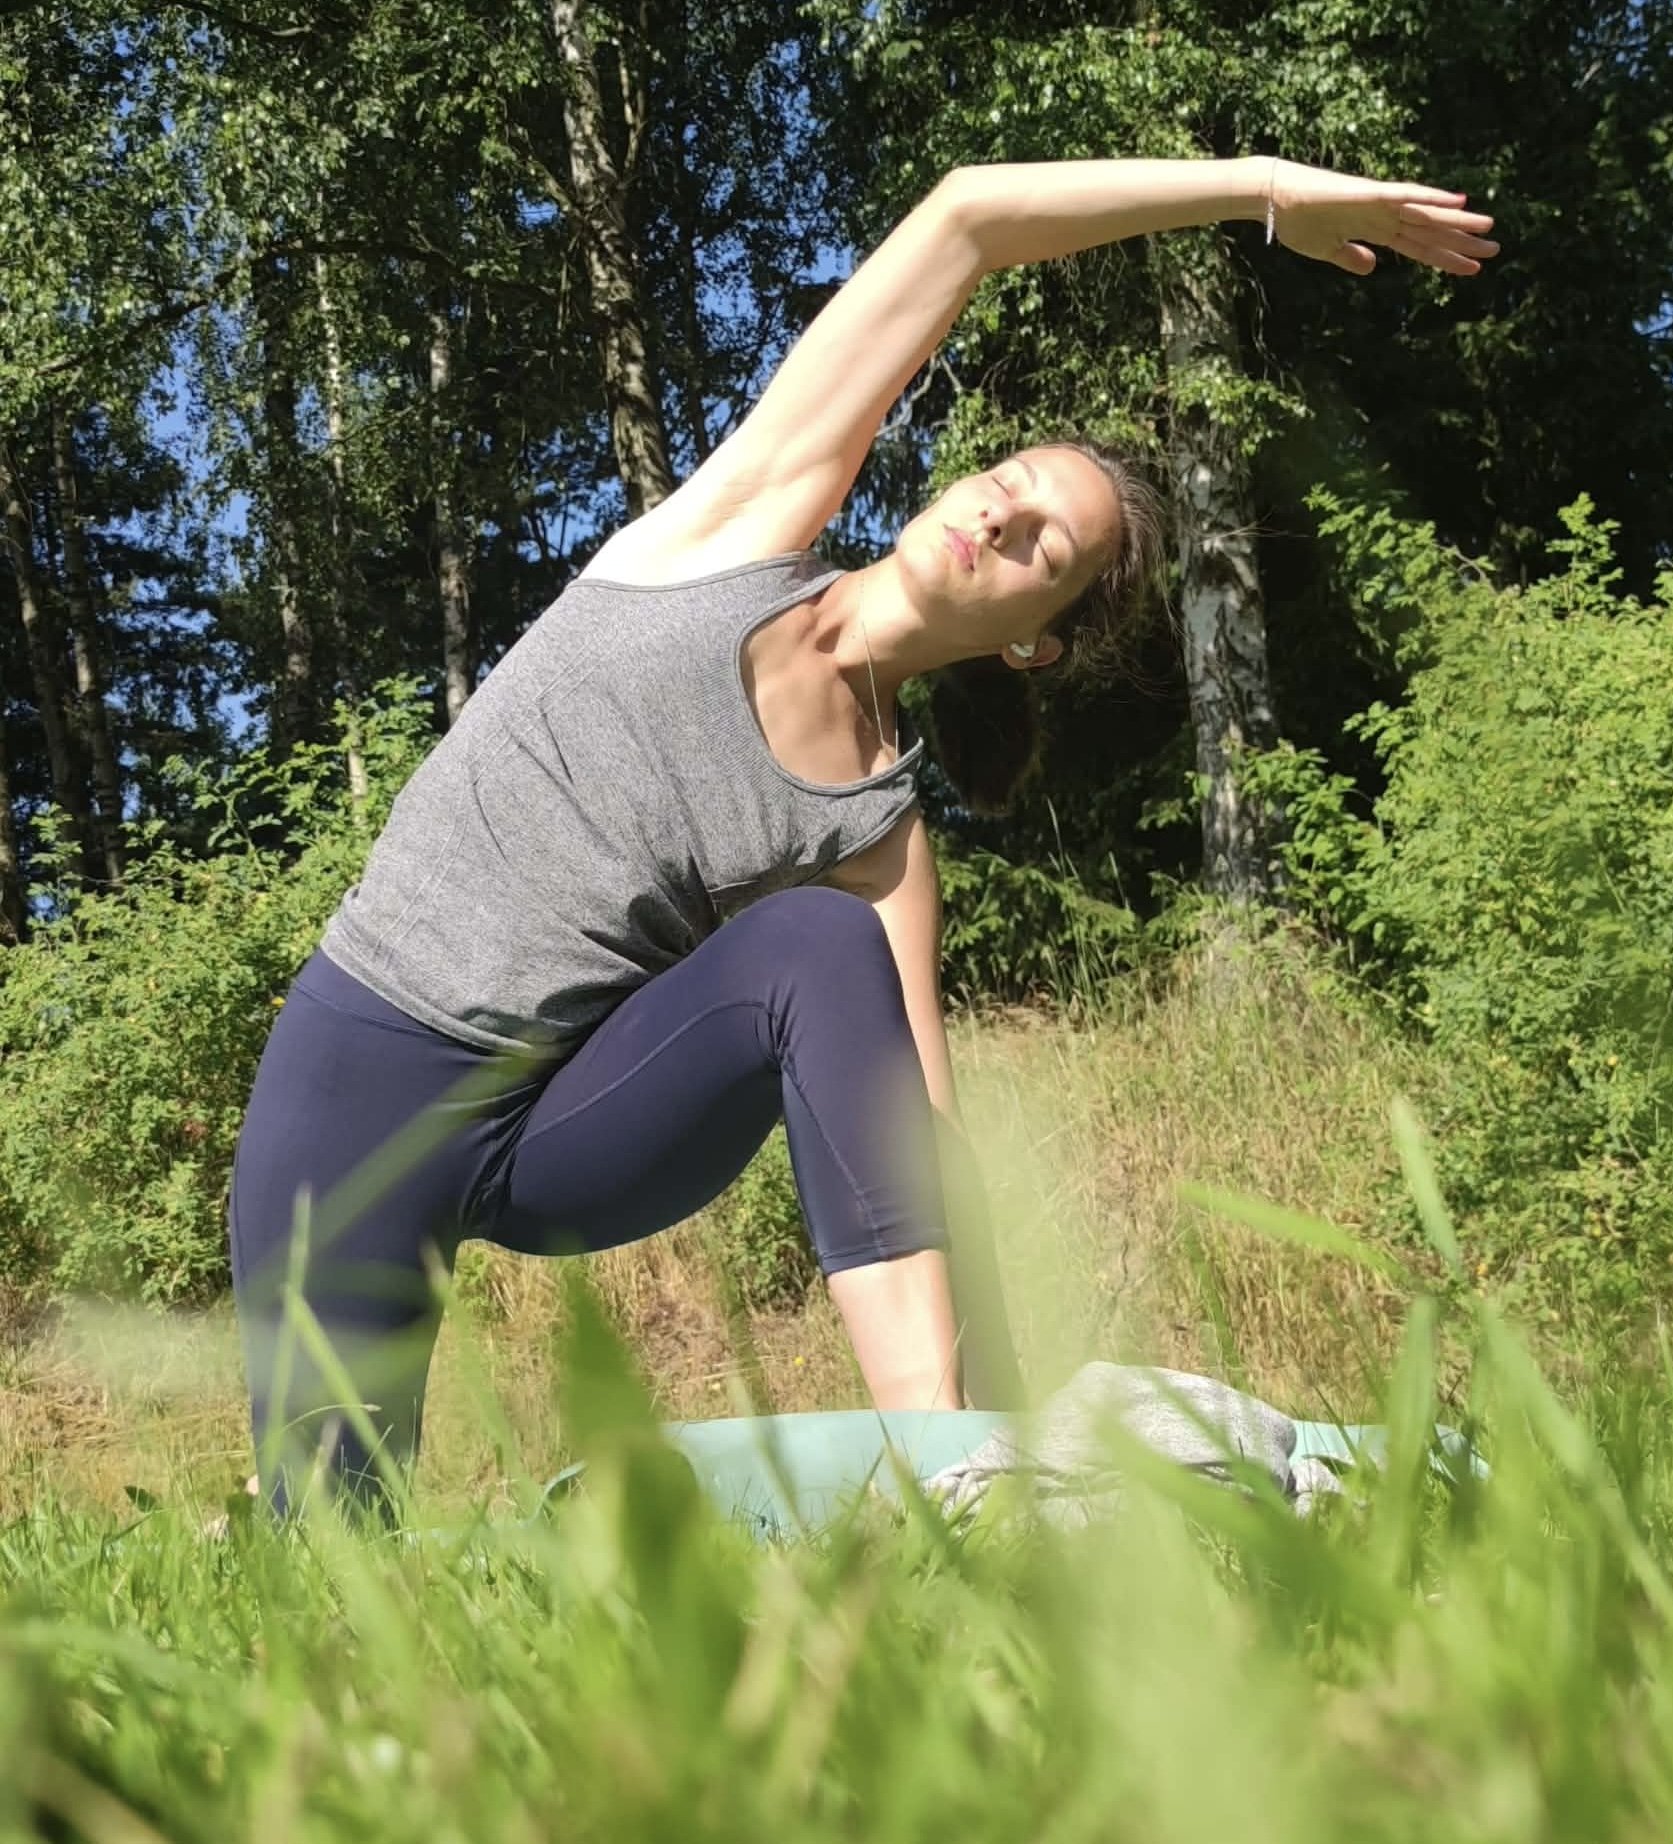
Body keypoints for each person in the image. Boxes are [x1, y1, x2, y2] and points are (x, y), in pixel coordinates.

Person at [229, 154, 1499, 1509]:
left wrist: (1004, 1419)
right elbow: (966, 218)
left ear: (1034, 640)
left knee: (817, 948)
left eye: (1043, 547)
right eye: (1009, 478)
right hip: (356, 1080)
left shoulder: (877, 841)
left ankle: (959, 1480)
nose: (1000, 512)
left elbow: (912, 1148)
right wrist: (1261, 191)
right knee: (332, 1546)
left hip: (559, 1130)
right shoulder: (734, 530)